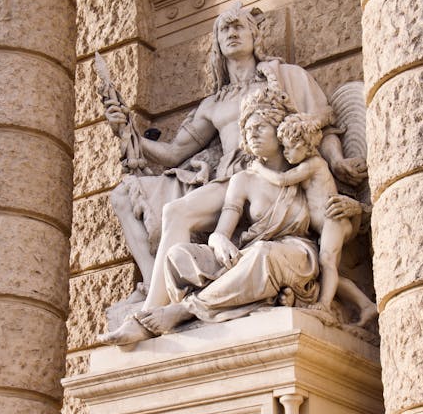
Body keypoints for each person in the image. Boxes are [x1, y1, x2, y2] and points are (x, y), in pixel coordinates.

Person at [101, 3, 366, 345]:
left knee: (179, 212)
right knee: (171, 209)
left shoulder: (286, 77)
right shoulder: (214, 103)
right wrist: (128, 130)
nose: (231, 33)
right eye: (224, 29)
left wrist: (339, 159)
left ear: (256, 36)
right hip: (232, 177)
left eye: (238, 26)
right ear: (217, 43)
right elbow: (174, 152)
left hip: (273, 174)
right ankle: (154, 303)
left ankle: (152, 316)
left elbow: (319, 126)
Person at [136, 87, 319, 336]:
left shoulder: (306, 173)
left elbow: (328, 223)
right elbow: (221, 232)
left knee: (263, 255)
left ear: (279, 131)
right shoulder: (242, 179)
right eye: (248, 129)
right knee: (178, 255)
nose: (251, 135)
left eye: (260, 128)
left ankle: (185, 310)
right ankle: (253, 296)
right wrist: (219, 240)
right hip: (247, 254)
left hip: (295, 253)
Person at [250, 113, 377, 325]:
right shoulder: (306, 162)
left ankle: (324, 306)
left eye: (290, 147)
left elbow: (282, 179)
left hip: (333, 221)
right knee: (326, 270)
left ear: (306, 146)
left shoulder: (314, 164)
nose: (286, 152)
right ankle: (365, 305)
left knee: (327, 263)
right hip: (327, 225)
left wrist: (258, 168)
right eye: (284, 147)